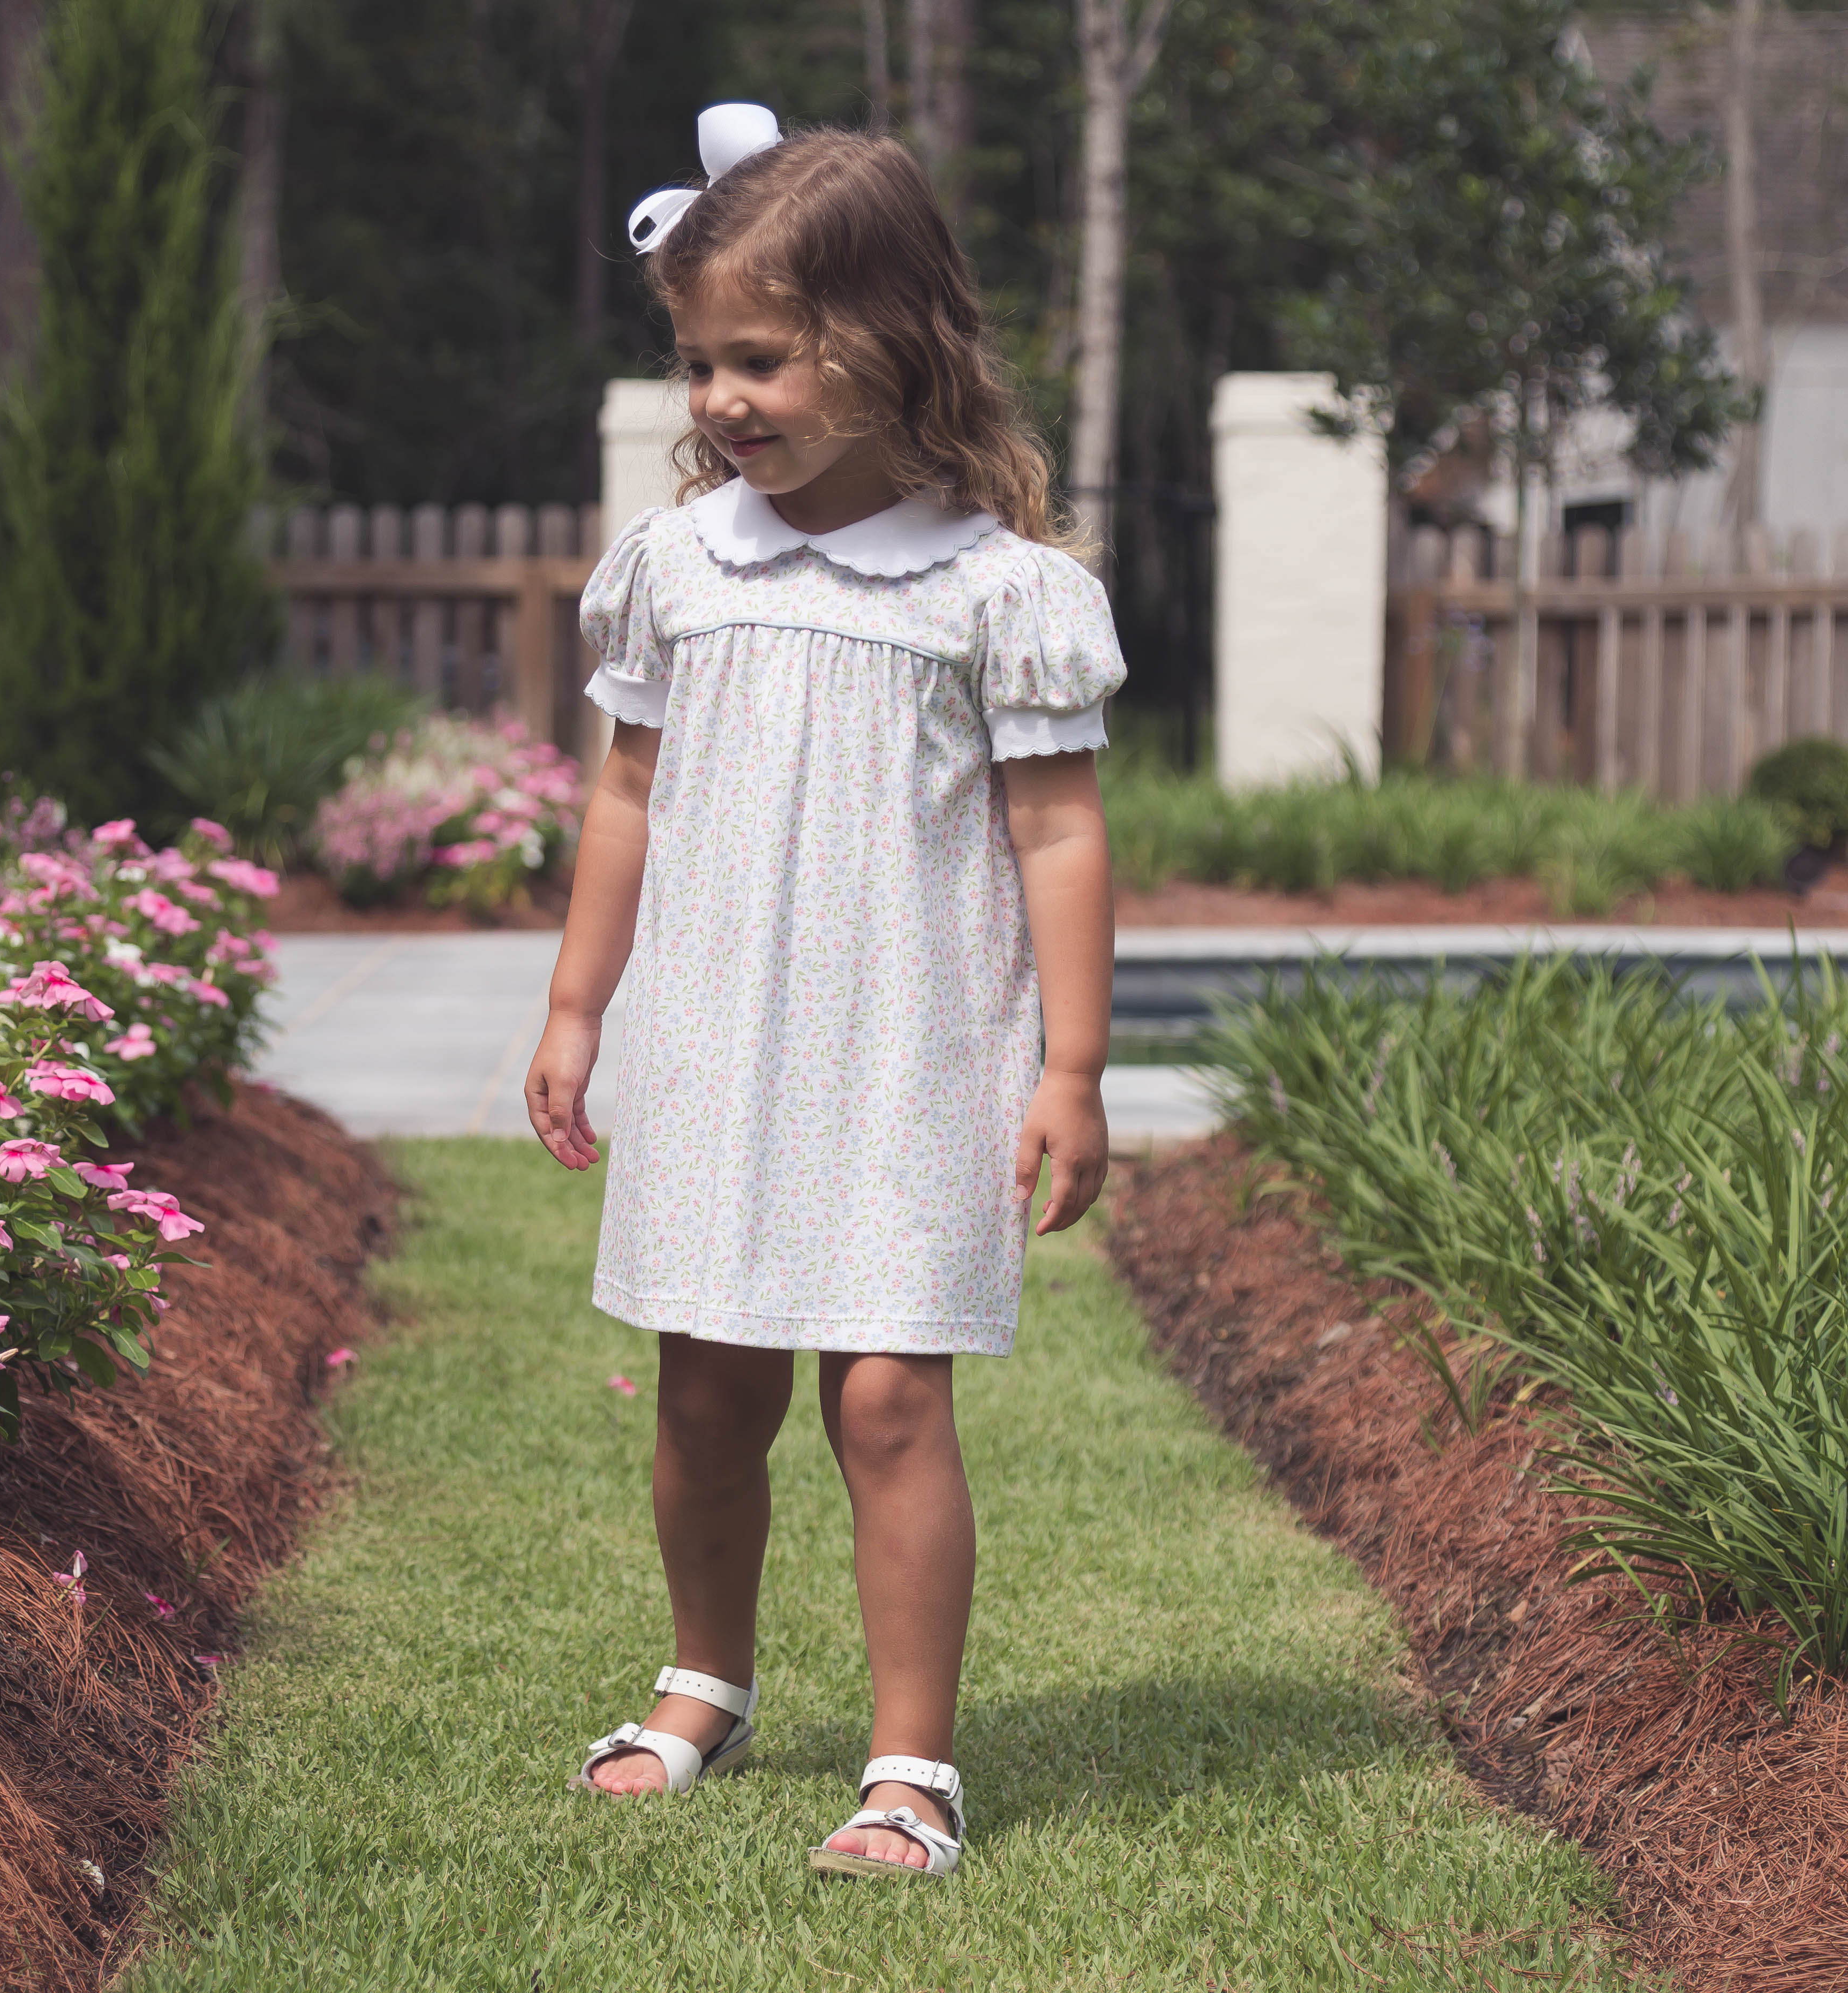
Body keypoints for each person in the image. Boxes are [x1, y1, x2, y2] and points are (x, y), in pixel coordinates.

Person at [522, 103, 1124, 1882]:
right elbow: (622, 792)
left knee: (883, 1399)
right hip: (717, 1032)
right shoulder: (675, 568)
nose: (721, 397)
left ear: (889, 342)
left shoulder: (993, 592)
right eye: (700, 358)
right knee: (704, 1386)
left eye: (762, 358)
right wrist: (576, 1007)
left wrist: (1074, 1067)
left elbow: (1063, 835)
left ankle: (909, 1762)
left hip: (911, 1046)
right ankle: (704, 1673)